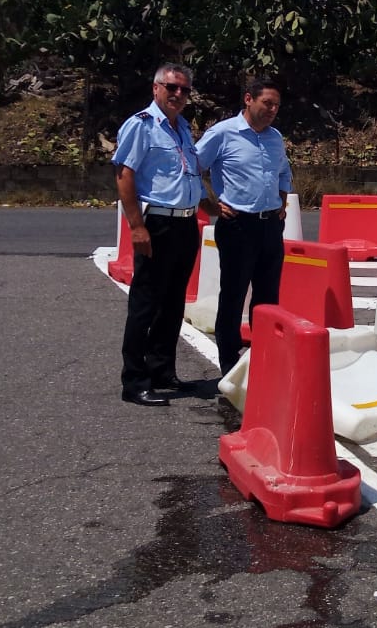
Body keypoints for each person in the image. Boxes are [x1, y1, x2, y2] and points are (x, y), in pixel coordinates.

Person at [113, 63, 205, 407]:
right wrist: (136, 227)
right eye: (171, 87)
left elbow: (187, 175)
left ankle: (162, 369)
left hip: (185, 223)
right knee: (146, 303)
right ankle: (135, 380)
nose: (178, 94)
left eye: (184, 90)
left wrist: (209, 207)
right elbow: (125, 175)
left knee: (172, 301)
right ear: (156, 89)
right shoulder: (141, 126)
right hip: (157, 224)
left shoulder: (182, 128)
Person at [195, 76, 292, 375]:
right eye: (267, 103)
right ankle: (228, 360)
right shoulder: (223, 134)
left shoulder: (275, 137)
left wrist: (282, 200)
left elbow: (284, 172)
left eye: (276, 105)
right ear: (248, 99)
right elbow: (192, 167)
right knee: (234, 294)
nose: (272, 109)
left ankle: (264, 356)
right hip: (237, 225)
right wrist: (207, 204)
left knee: (267, 296)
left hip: (269, 226)